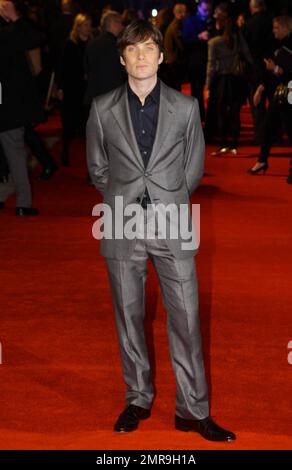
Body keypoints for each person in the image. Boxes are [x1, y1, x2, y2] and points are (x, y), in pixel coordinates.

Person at [86, 19, 236, 442]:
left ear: (161, 56)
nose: (141, 57)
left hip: (173, 222)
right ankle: (137, 397)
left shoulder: (186, 108)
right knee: (129, 318)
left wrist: (166, 199)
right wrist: (125, 198)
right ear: (122, 59)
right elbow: (97, 169)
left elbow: (194, 169)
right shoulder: (102, 108)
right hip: (120, 222)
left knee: (186, 317)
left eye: (148, 49)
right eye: (132, 50)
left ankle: (193, 409)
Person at [0, 0, 41, 216]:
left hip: (6, 102)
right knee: (15, 151)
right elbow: (33, 39)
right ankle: (23, 202)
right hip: (9, 104)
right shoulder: (10, 33)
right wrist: (16, 19)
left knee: (9, 150)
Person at [247, 15, 292, 182]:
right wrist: (261, 87)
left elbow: (284, 71)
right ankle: (262, 160)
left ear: (285, 28)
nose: (273, 31)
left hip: (290, 93)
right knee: (266, 126)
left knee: (290, 130)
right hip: (280, 92)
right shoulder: (280, 45)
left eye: (276, 28)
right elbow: (273, 73)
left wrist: (277, 69)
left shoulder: (288, 45)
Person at [59, 13, 92, 166]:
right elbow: (63, 68)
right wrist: (60, 88)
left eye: (89, 24)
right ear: (78, 26)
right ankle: (64, 152)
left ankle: (89, 160)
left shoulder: (92, 43)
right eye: (85, 25)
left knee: (86, 125)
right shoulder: (70, 44)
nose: (88, 27)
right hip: (72, 89)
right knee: (68, 125)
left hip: (87, 90)